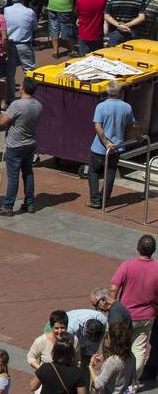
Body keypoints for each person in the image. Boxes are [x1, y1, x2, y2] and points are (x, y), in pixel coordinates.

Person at [108, 234, 158, 379]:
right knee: (140, 349)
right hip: (147, 316)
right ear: (153, 250)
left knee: (120, 346)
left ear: (137, 248)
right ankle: (132, 379)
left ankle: (117, 378)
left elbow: (114, 287)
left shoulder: (127, 265)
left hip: (126, 315)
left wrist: (113, 305)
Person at [0, 76, 43, 216]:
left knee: (13, 176)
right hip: (30, 143)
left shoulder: (17, 105)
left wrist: (4, 114)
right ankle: (30, 203)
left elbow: (3, 122)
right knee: (28, 173)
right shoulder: (38, 105)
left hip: (15, 144)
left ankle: (8, 206)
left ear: (22, 88)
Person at [89, 83, 136, 209]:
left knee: (93, 172)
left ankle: (95, 199)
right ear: (121, 93)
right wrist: (139, 136)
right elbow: (133, 126)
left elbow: (98, 126)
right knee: (110, 172)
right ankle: (105, 197)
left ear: (107, 92)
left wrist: (105, 142)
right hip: (117, 147)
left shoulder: (101, 106)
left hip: (99, 148)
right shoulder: (127, 107)